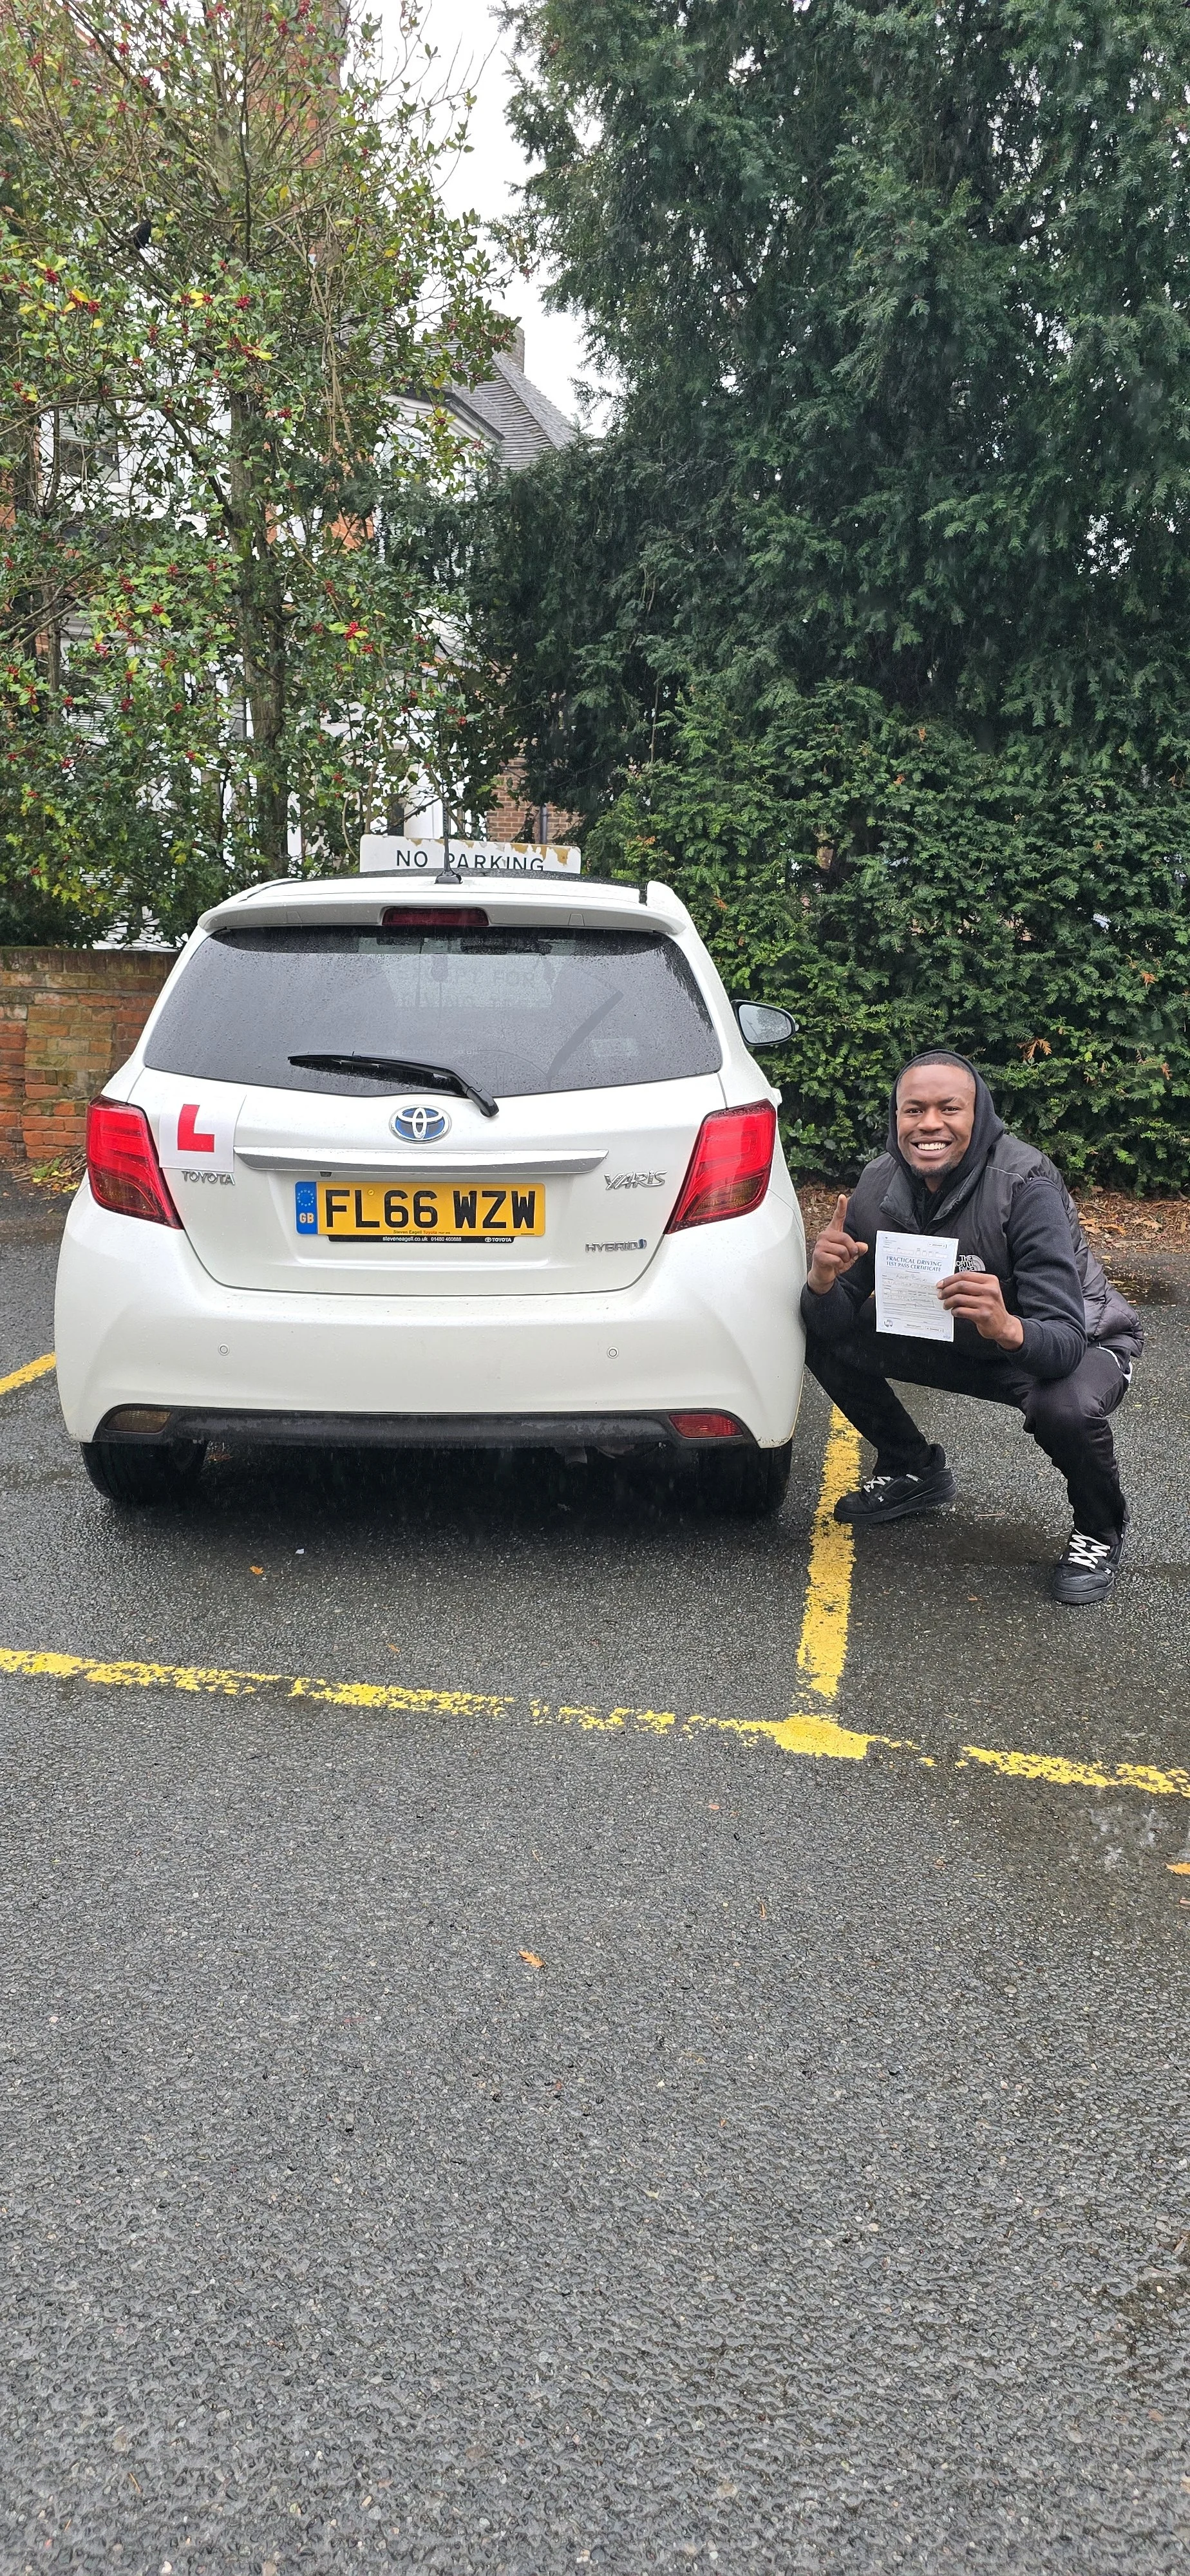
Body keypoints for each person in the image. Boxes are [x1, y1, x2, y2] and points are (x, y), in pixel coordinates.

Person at [801, 1050, 1142, 1603]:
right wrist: (822, 1281)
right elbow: (834, 1324)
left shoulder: (1024, 1183)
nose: (929, 1124)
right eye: (913, 1110)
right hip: (960, 1337)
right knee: (818, 1330)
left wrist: (1007, 1326)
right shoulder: (879, 1182)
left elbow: (1061, 1341)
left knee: (1065, 1409)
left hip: (1073, 1341)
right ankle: (914, 1470)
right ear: (896, 1119)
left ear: (977, 1114)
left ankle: (1099, 1531)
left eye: (948, 1109)